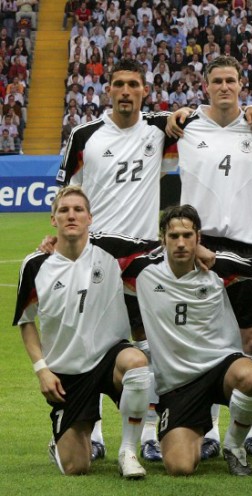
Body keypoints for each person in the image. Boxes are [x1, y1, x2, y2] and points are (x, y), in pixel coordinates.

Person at [170, 55, 252, 462]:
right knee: (200, 342)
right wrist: (174, 113)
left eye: (231, 80)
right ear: (205, 85)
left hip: (248, 247)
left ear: (242, 85)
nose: (224, 86)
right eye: (217, 80)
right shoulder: (185, 127)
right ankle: (206, 432)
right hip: (199, 247)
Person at [57, 58, 178, 463]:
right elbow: (65, 196)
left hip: (143, 259)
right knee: (90, 347)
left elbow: (200, 119)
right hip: (93, 259)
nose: (126, 91)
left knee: (149, 347)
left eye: (133, 85)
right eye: (119, 84)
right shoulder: (85, 135)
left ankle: (148, 433)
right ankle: (95, 434)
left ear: (145, 90)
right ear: (108, 90)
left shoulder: (160, 130)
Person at [122, 205, 252, 476]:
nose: (181, 243)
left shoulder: (218, 268)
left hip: (221, 368)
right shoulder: (142, 271)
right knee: (180, 467)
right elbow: (100, 254)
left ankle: (234, 446)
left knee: (250, 376)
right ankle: (196, 429)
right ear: (163, 239)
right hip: (178, 384)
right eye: (174, 236)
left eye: (188, 235)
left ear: (199, 238)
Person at [13, 186, 150, 478]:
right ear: (53, 219)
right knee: (77, 467)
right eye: (64, 210)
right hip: (68, 372)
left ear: (90, 217)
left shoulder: (112, 250)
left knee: (137, 363)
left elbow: (161, 247)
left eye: (78, 210)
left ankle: (128, 451)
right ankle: (64, 438)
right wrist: (42, 370)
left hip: (109, 356)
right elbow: (26, 321)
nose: (71, 215)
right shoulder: (35, 265)